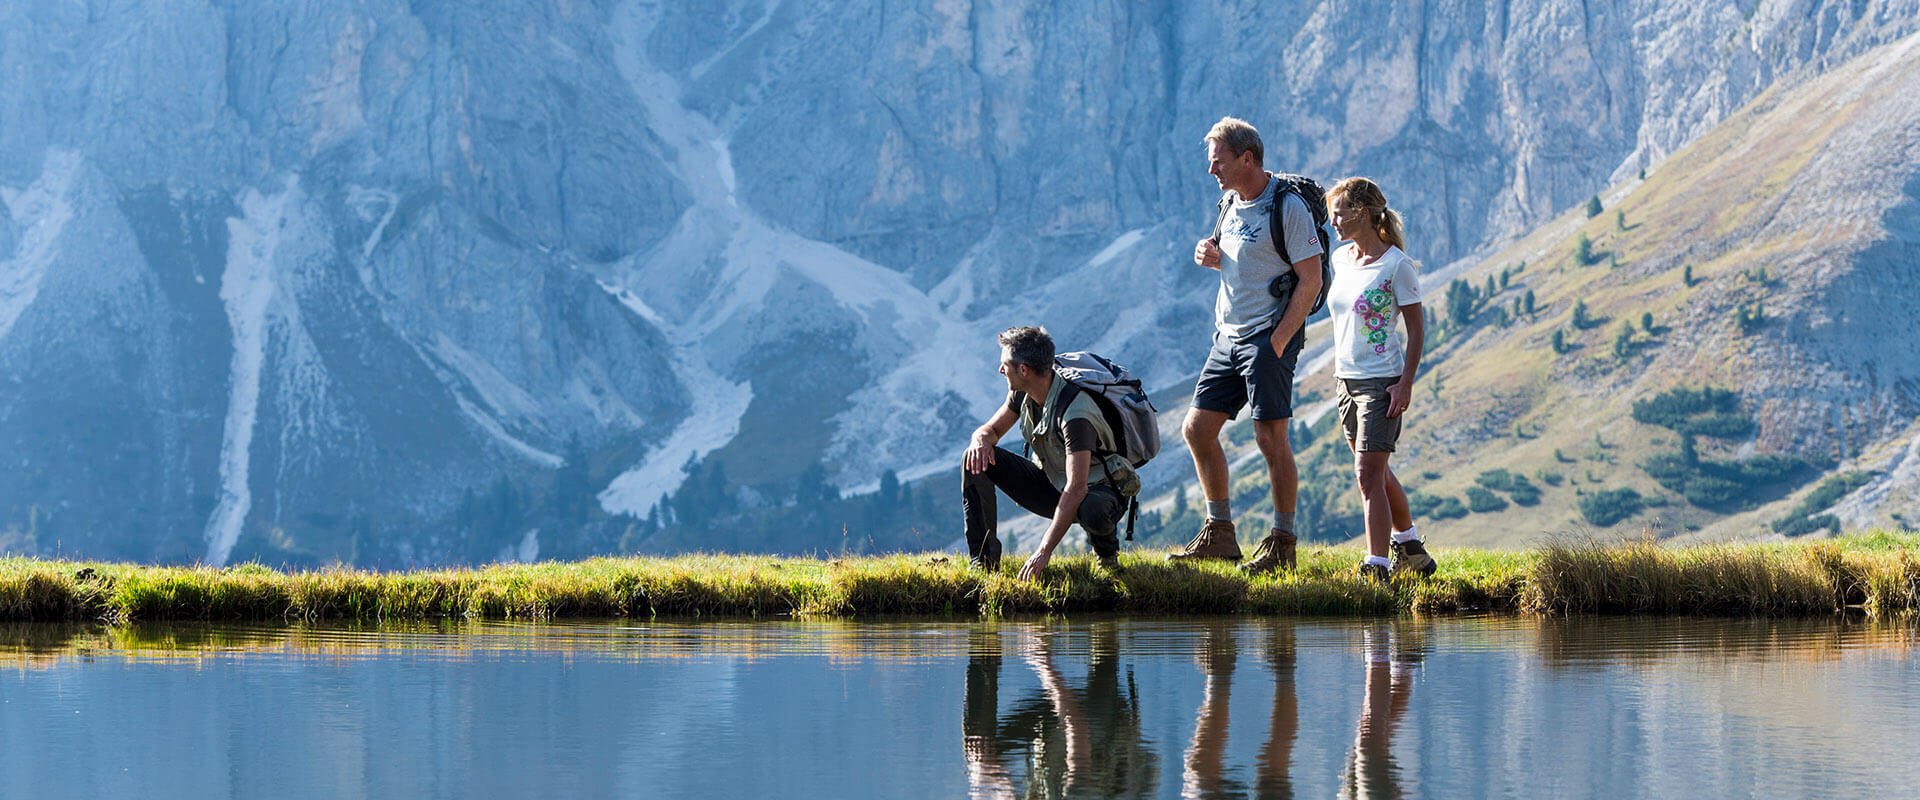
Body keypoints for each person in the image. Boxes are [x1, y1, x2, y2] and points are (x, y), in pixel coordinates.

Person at [1174, 117, 1323, 573]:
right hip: (1228, 335)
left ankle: (1283, 542)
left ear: (1247, 158)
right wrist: (1213, 257)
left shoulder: (1288, 207)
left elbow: (1311, 280)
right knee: (1197, 430)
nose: (1211, 171)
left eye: (1218, 161)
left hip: (1266, 337)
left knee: (1269, 438)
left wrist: (1278, 340)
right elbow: (1245, 261)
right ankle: (1220, 533)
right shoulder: (1228, 203)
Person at [962, 326, 1140, 580]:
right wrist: (979, 439)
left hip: (1098, 489)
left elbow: (1077, 488)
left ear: (1023, 370)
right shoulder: (1022, 392)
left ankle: (1107, 558)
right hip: (1053, 482)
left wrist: (1043, 551)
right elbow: (991, 431)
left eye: (1005, 365)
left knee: (1092, 507)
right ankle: (984, 564)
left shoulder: (1075, 415)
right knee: (974, 459)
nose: (1000, 370)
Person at [1324, 177, 1435, 580]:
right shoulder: (1340, 259)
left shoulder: (1397, 266)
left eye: (1339, 213)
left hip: (1381, 383)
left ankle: (1377, 565)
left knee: (1367, 474)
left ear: (1363, 214)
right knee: (1376, 470)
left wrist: (1405, 383)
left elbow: (1417, 330)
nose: (1333, 221)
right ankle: (1409, 546)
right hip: (1345, 380)